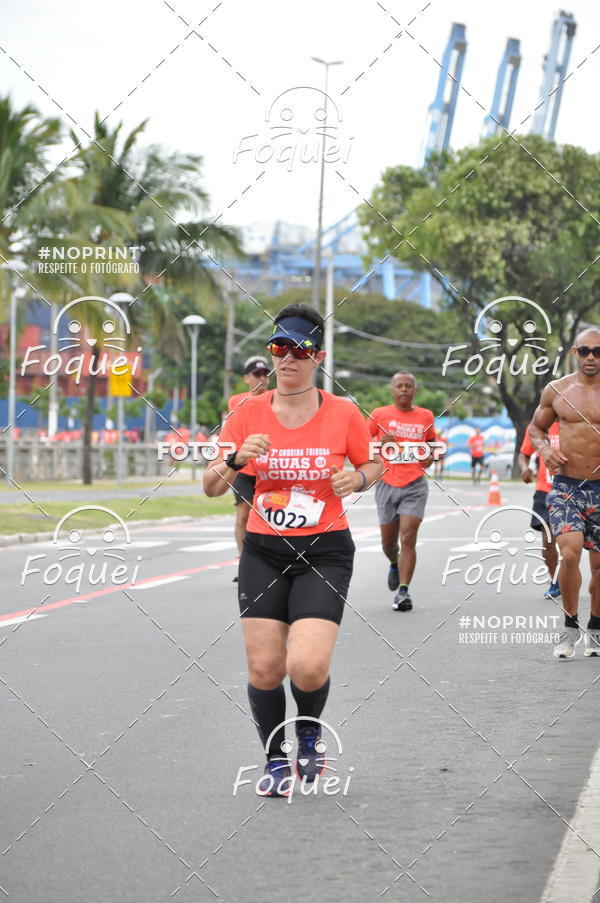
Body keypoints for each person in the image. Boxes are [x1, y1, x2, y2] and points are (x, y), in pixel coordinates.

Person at [204, 303, 382, 797]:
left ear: (317, 357)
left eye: (300, 350)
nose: (288, 358)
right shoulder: (247, 413)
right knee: (265, 668)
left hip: (324, 551)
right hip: (263, 551)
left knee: (305, 665)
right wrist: (236, 458)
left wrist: (357, 479)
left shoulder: (343, 412)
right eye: (279, 347)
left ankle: (307, 729)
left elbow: (374, 465)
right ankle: (275, 759)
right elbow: (210, 487)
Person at [529, 328, 600, 659]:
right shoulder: (557, 389)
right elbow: (536, 427)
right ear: (575, 352)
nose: (591, 357)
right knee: (569, 554)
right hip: (567, 486)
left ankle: (596, 627)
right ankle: (570, 627)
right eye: (585, 351)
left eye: (598, 352)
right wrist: (544, 449)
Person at [368, 372, 436, 611]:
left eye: (408, 386)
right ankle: (394, 563)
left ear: (415, 390)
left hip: (414, 484)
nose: (404, 389)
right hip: (386, 482)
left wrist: (430, 456)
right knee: (389, 544)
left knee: (408, 536)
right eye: (399, 386)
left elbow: (432, 445)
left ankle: (403, 592)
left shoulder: (426, 416)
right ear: (392, 390)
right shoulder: (379, 414)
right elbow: (361, 443)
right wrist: (380, 446)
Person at [226, 356, 270, 578]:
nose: (262, 378)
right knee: (243, 514)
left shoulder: (278, 399)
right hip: (244, 467)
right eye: (257, 374)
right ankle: (244, 563)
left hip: (270, 466)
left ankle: (270, 563)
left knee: (269, 515)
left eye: (265, 374)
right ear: (246, 378)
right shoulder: (236, 401)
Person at [519, 421, 561, 599]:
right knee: (547, 539)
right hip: (545, 490)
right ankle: (556, 581)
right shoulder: (538, 424)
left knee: (579, 544)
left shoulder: (578, 420)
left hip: (575, 489)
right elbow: (523, 454)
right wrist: (524, 469)